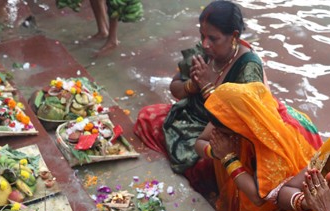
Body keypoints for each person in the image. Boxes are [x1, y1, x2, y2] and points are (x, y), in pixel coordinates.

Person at [134, 0, 320, 195]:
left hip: (220, 131)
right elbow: (175, 88)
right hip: (190, 114)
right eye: (202, 36)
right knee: (147, 116)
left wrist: (208, 86)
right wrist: (193, 85)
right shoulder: (204, 51)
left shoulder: (248, 67)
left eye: (213, 38)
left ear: (234, 36)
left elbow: (243, 124)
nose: (205, 44)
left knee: (202, 169)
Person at [196, 82, 317, 211]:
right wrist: (216, 151)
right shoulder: (234, 109)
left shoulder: (269, 139)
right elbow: (199, 142)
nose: (217, 132)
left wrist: (228, 157)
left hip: (282, 196)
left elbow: (257, 198)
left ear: (239, 127)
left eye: (222, 130)